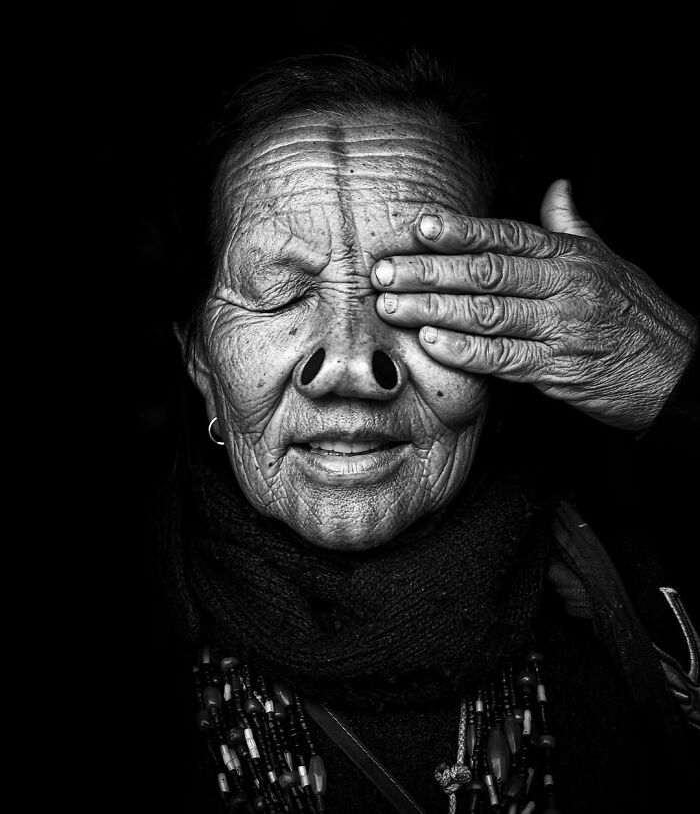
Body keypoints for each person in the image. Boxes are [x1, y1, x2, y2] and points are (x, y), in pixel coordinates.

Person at [154, 51, 699, 813]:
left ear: (509, 330)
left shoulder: (634, 579)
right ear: (203, 363)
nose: (348, 361)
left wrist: (677, 386)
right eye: (283, 294)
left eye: (419, 290)